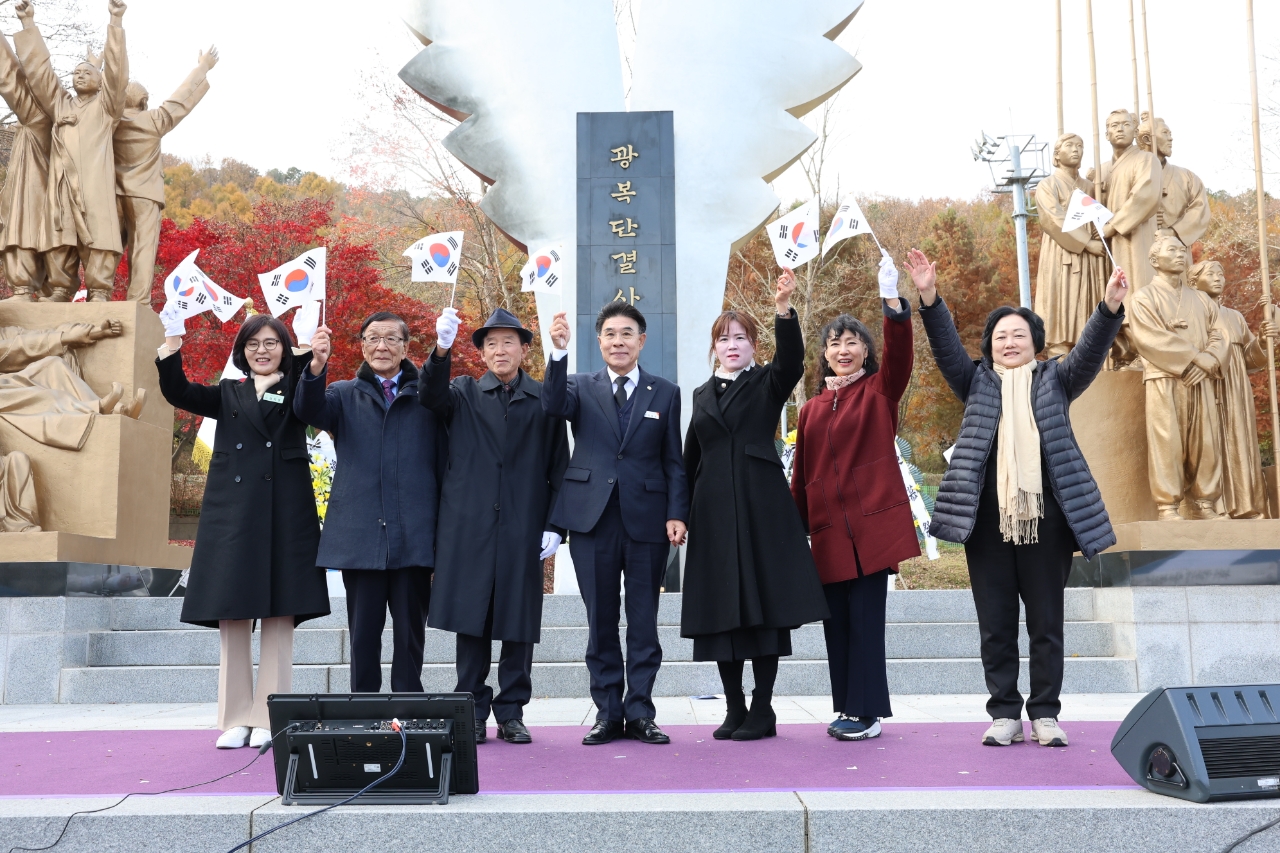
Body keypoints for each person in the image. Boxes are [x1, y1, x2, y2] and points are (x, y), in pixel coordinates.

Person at [908, 248, 1128, 748]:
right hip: (984, 521)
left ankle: (1045, 714)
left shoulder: (1058, 379)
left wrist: (1109, 307)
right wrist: (928, 296)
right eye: (1000, 336)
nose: (1009, 342)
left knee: (1046, 622)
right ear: (989, 347)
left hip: (1047, 522)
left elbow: (1091, 350)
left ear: (1036, 345)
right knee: (997, 623)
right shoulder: (975, 382)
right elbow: (945, 348)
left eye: (1018, 335)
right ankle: (1005, 713)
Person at [155, 313, 329, 749]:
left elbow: (312, 400)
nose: (262, 351)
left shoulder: (298, 389)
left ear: (285, 349)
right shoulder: (228, 392)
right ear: (242, 351)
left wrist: (316, 363)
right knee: (233, 613)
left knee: (279, 613)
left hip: (285, 512)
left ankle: (271, 714)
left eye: (272, 343)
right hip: (231, 514)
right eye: (254, 344)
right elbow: (178, 391)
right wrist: (172, 345)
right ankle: (234, 716)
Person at [681, 269, 828, 741]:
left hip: (761, 512)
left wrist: (783, 309)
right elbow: (689, 460)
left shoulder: (767, 381)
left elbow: (794, 361)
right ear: (714, 347)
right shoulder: (701, 395)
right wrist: (679, 514)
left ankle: (763, 708)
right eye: (724, 339)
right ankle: (734, 707)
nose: (732, 345)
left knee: (764, 611)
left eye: (741, 337)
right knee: (721, 613)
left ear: (752, 345)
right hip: (714, 517)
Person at [543, 302, 689, 746]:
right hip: (591, 520)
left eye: (627, 334)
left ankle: (641, 712)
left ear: (642, 341)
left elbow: (673, 460)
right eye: (609, 334)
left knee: (643, 622)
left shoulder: (664, 391)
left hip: (647, 522)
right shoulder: (577, 386)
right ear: (599, 341)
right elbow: (551, 405)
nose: (618, 341)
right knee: (600, 621)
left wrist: (677, 512)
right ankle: (607, 713)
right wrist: (556, 352)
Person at [421, 306, 569, 744]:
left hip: (524, 525)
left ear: (524, 349)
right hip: (468, 527)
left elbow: (559, 467)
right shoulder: (463, 392)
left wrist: (556, 525)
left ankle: (512, 711)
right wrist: (441, 348)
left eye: (508, 342)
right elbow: (429, 396)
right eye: (490, 344)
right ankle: (470, 707)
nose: (499, 350)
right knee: (472, 622)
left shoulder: (544, 399)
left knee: (518, 622)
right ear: (482, 353)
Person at [790, 282, 918, 742]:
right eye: (834, 343)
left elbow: (901, 354)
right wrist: (793, 529)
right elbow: (802, 474)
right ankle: (844, 705)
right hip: (828, 533)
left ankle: (866, 712)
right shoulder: (811, 410)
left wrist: (893, 307)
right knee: (837, 626)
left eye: (851, 341)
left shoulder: (880, 392)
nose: (842, 350)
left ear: (866, 349)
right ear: (823, 355)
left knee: (866, 622)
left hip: (872, 529)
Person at [294, 313, 442, 694]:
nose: (382, 346)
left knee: (410, 633)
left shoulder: (427, 395)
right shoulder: (343, 394)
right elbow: (306, 411)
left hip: (413, 535)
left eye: (392, 339)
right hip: (361, 537)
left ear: (406, 347)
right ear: (361, 345)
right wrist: (316, 365)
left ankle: (408, 705)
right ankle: (364, 705)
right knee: (363, 635)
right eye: (372, 338)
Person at [1127, 235, 1229, 520]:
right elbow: (1148, 338)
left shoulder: (1200, 299)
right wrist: (1194, 357)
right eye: (1172, 250)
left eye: (1183, 251)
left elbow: (1220, 333)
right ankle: (1167, 506)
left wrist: (1209, 360)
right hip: (1164, 377)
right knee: (1166, 440)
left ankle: (1206, 502)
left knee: (1206, 441)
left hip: (1201, 378)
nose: (1180, 255)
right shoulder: (1143, 297)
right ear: (1154, 260)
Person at [114, 46, 218, 303]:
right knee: (142, 249)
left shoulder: (109, 122)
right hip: (145, 195)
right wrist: (203, 67)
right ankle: (137, 302)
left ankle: (98, 294)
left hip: (111, 193)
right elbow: (179, 100)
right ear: (143, 101)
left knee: (108, 249)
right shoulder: (153, 120)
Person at [1190, 260, 1276, 519]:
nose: (1219, 278)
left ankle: (1244, 505)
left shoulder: (1234, 316)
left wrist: (1261, 339)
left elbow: (1250, 359)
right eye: (1211, 273)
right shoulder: (1190, 314)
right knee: (1209, 442)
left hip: (1235, 388)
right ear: (1193, 281)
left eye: (1221, 273)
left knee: (1239, 441)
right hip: (1206, 383)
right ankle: (1212, 505)